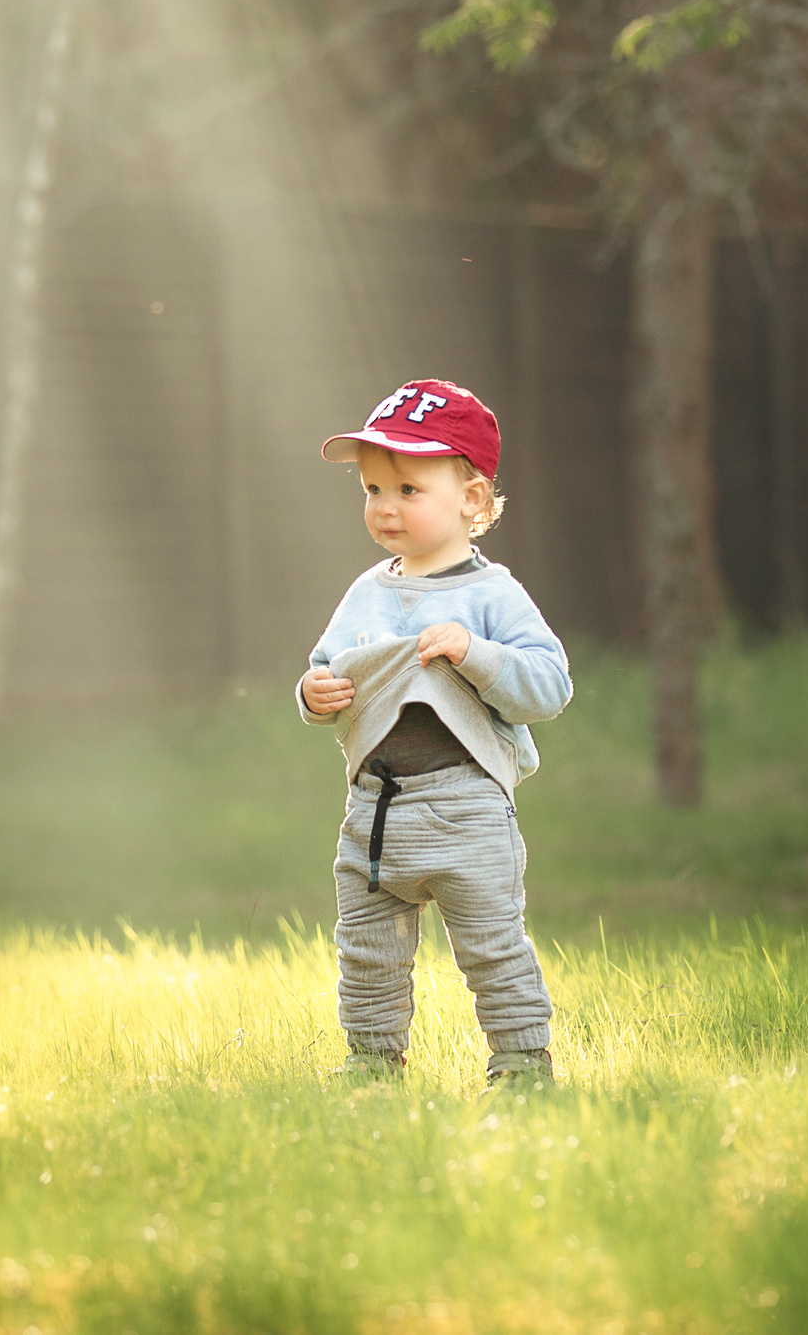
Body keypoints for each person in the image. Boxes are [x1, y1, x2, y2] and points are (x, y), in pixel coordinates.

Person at [297, 379, 573, 1087]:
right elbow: (326, 667)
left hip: (466, 807)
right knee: (367, 949)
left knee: (490, 945)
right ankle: (372, 1060)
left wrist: (475, 652)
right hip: (374, 809)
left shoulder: (492, 594)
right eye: (372, 488)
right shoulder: (368, 591)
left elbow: (549, 685)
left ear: (472, 499)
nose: (384, 506)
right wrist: (313, 695)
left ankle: (521, 1060)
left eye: (407, 489)